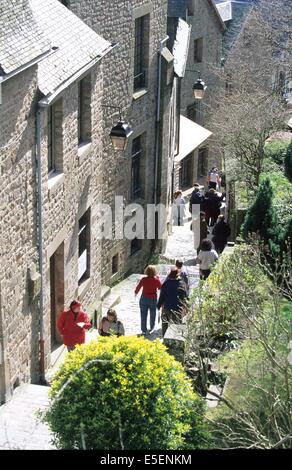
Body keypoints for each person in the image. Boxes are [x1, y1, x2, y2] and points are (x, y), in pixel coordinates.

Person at [157, 267, 188, 337]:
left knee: (165, 324)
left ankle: (165, 339)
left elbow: (161, 297)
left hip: (166, 308)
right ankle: (175, 341)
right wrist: (186, 308)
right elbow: (185, 298)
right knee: (177, 327)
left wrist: (158, 306)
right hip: (177, 310)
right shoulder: (182, 285)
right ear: (178, 275)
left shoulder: (165, 284)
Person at [135, 265, 162, 335]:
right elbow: (160, 288)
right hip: (153, 298)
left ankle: (144, 329)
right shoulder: (156, 280)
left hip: (144, 298)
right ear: (154, 272)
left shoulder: (144, 279)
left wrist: (136, 293)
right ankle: (152, 327)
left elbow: (138, 287)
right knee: (153, 314)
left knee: (143, 314)